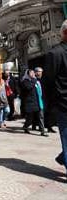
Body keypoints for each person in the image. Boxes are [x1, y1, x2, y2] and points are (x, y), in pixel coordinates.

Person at [44, 19, 67, 171]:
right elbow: (49, 81)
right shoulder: (55, 53)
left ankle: (62, 156)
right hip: (64, 104)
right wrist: (51, 105)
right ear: (65, 33)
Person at [21, 69, 47, 137]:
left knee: (41, 117)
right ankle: (26, 126)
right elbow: (28, 87)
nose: (33, 74)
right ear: (28, 74)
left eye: (33, 73)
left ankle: (42, 131)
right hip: (30, 103)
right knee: (30, 118)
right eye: (31, 73)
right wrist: (34, 80)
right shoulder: (25, 81)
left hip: (38, 101)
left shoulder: (36, 81)